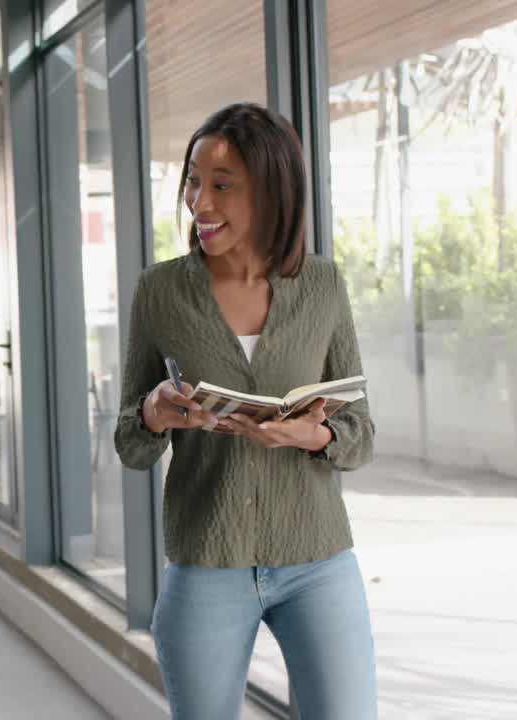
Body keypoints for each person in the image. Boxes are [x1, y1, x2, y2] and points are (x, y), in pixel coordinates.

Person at [113, 103, 378, 719]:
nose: (200, 202)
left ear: (271, 190)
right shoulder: (159, 293)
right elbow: (132, 443)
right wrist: (153, 411)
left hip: (317, 559)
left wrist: (314, 435)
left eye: (222, 185)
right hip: (207, 561)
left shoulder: (323, 286)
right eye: (193, 181)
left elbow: (360, 435)